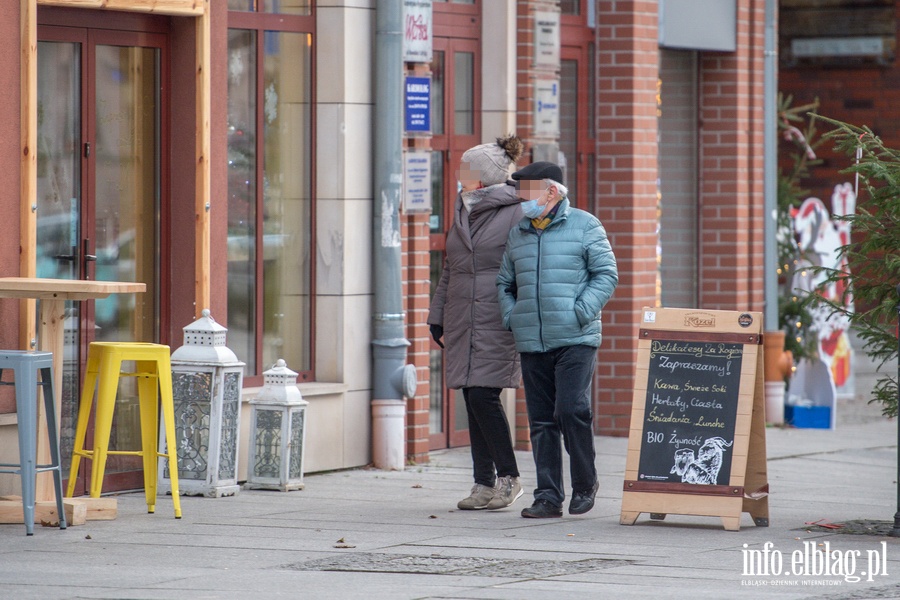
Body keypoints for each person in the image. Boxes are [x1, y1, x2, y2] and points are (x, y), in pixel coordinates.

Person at [496, 161, 618, 518]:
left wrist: (581, 311)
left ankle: (585, 483)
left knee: (570, 410)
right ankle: (548, 496)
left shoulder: (585, 224)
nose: (520, 199)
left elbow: (606, 274)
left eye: (526, 192)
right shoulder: (519, 231)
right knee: (541, 421)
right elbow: (504, 283)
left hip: (576, 338)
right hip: (532, 338)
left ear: (550, 191)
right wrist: (512, 316)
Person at [428, 135, 526, 511]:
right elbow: (451, 269)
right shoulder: (462, 208)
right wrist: (437, 316)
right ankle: (482, 484)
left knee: (484, 394)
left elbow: (525, 267)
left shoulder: (516, 211)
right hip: (461, 317)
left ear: (484, 177)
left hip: (496, 316)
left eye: (466, 169)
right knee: (472, 397)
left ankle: (509, 478)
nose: (459, 174)